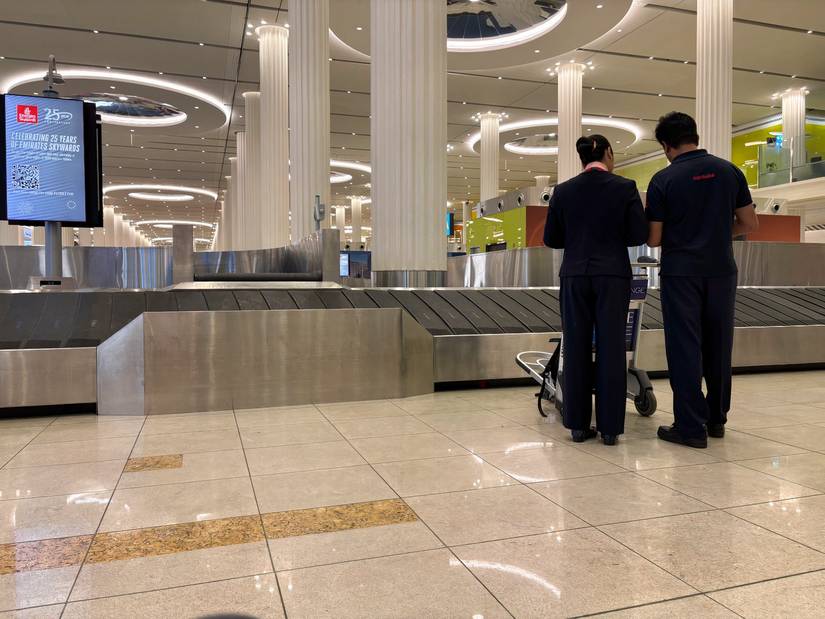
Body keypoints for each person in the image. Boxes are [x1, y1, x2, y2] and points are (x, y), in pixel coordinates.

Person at [646, 112, 759, 449]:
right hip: (721, 269)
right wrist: (718, 233)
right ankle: (716, 419)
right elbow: (749, 223)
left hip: (681, 272)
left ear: (666, 146)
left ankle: (690, 427)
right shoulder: (729, 171)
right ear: (694, 136)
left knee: (685, 347)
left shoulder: (663, 179)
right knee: (719, 344)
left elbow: (653, 239)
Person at [544, 135, 648, 445]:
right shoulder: (625, 187)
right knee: (612, 348)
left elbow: (552, 238)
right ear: (608, 154)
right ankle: (611, 428)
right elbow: (637, 234)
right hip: (613, 275)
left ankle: (577, 425)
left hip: (575, 275)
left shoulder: (563, 191)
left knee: (575, 345)